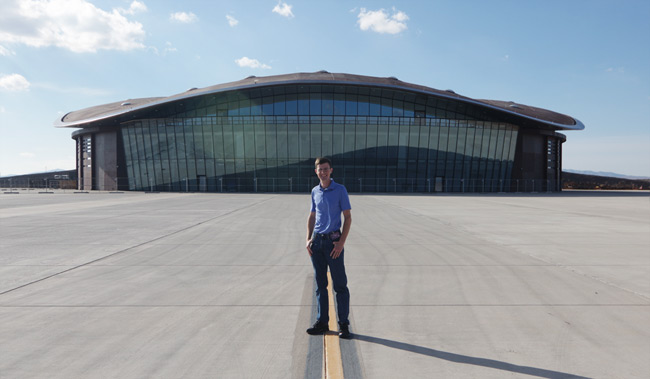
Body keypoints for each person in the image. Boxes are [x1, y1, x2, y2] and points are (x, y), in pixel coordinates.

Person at [305, 157, 352, 339]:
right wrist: (308, 239)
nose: (323, 172)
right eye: (320, 169)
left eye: (326, 169)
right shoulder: (315, 191)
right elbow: (311, 216)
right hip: (317, 243)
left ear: (331, 170)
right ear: (316, 171)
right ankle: (322, 322)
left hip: (333, 242)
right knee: (320, 285)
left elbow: (347, 217)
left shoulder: (340, 190)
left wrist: (341, 243)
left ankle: (344, 324)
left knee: (340, 285)